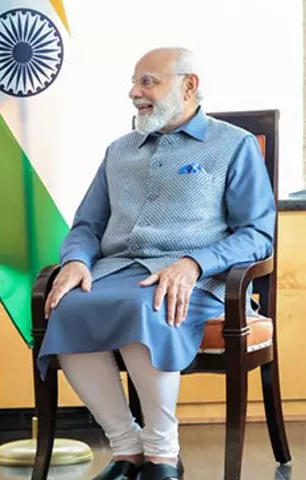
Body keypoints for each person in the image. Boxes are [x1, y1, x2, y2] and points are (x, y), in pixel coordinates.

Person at [37, 47, 275, 480]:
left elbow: (257, 235)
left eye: (148, 82)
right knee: (65, 307)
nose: (135, 92)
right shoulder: (118, 151)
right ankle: (127, 448)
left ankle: (163, 455)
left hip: (200, 282)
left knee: (147, 305)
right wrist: (75, 261)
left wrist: (194, 263)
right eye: (134, 82)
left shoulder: (235, 146)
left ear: (189, 85)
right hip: (116, 274)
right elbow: (87, 225)